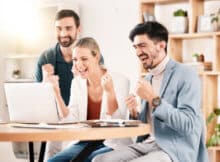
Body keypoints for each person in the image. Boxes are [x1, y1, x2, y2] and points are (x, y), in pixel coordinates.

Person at [93, 21, 209, 162]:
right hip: (148, 144)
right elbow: (149, 126)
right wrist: (135, 113)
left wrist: (153, 98)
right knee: (100, 160)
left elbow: (188, 124)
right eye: (135, 47)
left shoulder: (186, 74)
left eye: (142, 45)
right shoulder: (147, 78)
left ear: (161, 45)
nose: (138, 52)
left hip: (174, 148)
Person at [47, 37, 133, 162]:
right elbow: (70, 120)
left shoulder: (120, 80)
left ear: (96, 57)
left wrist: (109, 92)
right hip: (85, 141)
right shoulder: (77, 83)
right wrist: (56, 93)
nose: (78, 64)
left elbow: (117, 124)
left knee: (91, 160)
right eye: (75, 59)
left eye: (84, 59)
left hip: (111, 143)